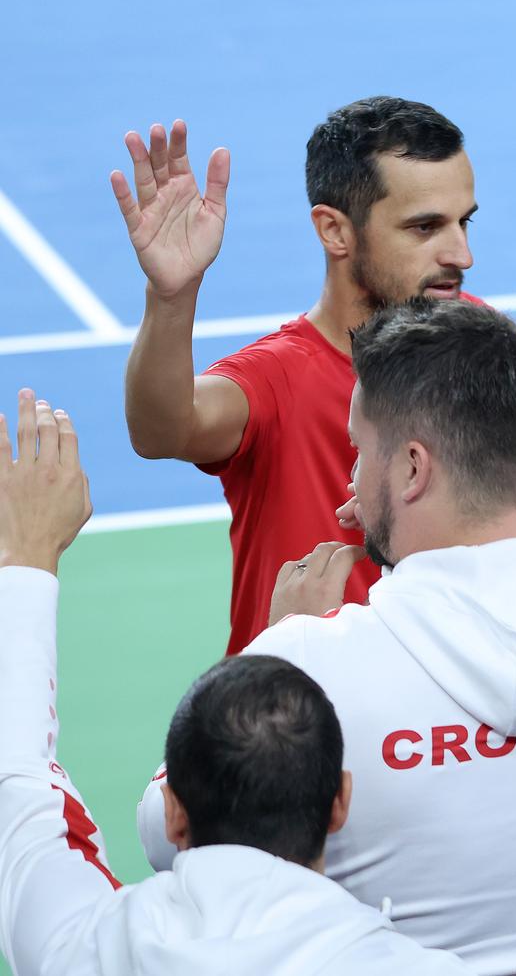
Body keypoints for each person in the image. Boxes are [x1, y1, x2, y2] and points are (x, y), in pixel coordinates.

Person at [136, 299, 516, 975]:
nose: (352, 481)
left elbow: (172, 834)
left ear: (412, 469)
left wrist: (271, 655)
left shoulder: (309, 667)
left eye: (359, 450)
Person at [115, 97, 516, 653]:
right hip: (309, 732)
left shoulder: (475, 342)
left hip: (452, 724)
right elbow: (162, 430)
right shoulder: (275, 378)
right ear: (335, 231)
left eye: (463, 223)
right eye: (425, 228)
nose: (461, 254)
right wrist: (172, 296)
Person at [0, 390, 470, 975]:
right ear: (340, 803)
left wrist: (26, 554)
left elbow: (16, 777)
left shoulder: (82, 949)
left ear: (173, 814)